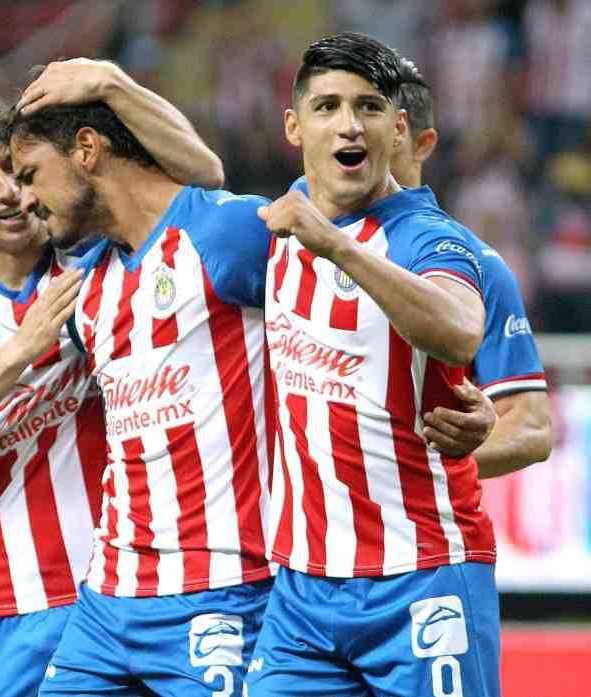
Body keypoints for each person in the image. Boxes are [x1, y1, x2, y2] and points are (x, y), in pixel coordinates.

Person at [0, 59, 223, 697]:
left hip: (130, 591)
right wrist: (23, 347)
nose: (8, 193)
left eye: (13, 170)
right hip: (10, 606)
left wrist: (111, 84)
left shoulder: (99, 252)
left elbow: (202, 179)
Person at [1, 68, 279, 696]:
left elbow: (350, 307)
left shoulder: (227, 234)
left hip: (224, 591)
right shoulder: (86, 290)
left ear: (89, 150)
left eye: (30, 175)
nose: (24, 199)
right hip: (107, 598)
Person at [248, 33, 503, 696]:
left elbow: (459, 329)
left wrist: (336, 246)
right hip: (301, 591)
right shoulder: (274, 227)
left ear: (396, 129)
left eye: (366, 106)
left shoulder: (427, 236)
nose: (349, 123)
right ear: (294, 126)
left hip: (422, 574)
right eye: (328, 106)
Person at [286, 54, 551, 476]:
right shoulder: (291, 235)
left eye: (374, 116)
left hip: (412, 528)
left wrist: (418, 465)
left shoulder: (473, 261)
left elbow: (531, 425)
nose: (354, 136)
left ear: (412, 139)